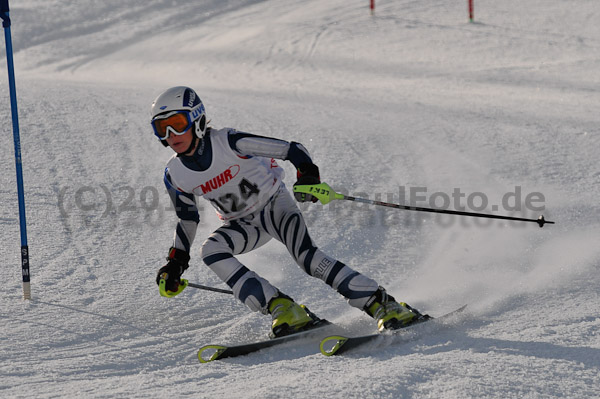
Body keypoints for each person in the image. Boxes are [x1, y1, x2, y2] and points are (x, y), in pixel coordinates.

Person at [152, 86, 426, 337]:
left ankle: (382, 303)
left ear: (197, 120)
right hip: (243, 224)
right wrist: (176, 261)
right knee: (210, 251)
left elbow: (292, 150)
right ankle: (282, 308)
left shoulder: (229, 142)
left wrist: (307, 176)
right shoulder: (175, 174)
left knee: (307, 259)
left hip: (274, 206)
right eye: (162, 129)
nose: (171, 136)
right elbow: (188, 218)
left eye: (177, 125)